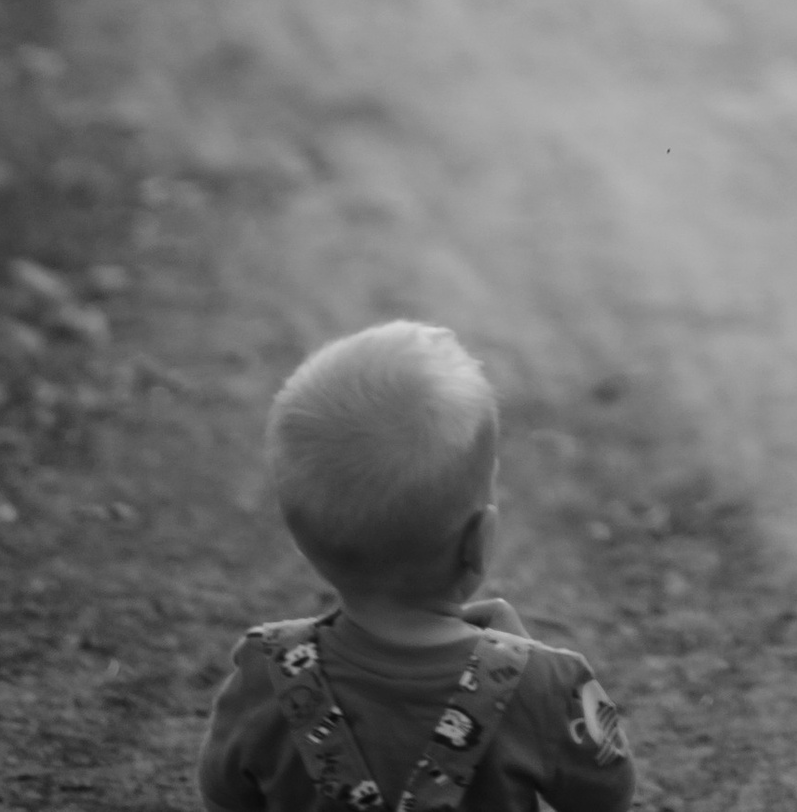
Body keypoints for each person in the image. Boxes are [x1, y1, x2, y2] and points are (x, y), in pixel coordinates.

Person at [197, 319, 636, 812]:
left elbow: (226, 799)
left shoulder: (267, 674)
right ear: (479, 541)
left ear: (303, 542)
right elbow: (608, 797)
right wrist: (520, 662)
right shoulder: (548, 686)